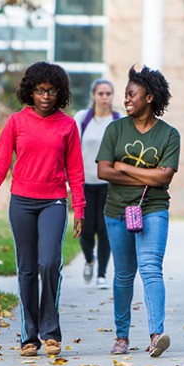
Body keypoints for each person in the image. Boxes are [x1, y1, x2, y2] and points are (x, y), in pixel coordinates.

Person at [0, 62, 85, 358]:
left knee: (48, 263)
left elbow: (76, 171)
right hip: (21, 202)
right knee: (26, 269)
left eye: (51, 91)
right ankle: (29, 336)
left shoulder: (67, 125)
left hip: (54, 202)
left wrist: (80, 210)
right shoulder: (16, 122)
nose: (45, 96)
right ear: (30, 92)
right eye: (39, 90)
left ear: (59, 93)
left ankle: (50, 332)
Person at [96, 65, 180, 358]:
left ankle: (157, 334)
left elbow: (164, 178)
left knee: (151, 268)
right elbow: (104, 170)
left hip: (153, 209)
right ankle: (121, 337)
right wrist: (147, 174)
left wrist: (126, 167)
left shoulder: (169, 135)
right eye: (125, 95)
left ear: (149, 97)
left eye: (132, 94)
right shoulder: (115, 129)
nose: (126, 99)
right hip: (117, 210)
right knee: (123, 274)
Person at [73, 79, 121, 288]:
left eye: (108, 93)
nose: (104, 97)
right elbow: (72, 148)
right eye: (100, 93)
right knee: (86, 229)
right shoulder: (82, 119)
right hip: (84, 183)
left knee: (104, 229)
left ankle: (101, 275)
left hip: (109, 184)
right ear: (93, 95)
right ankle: (89, 259)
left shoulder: (119, 120)